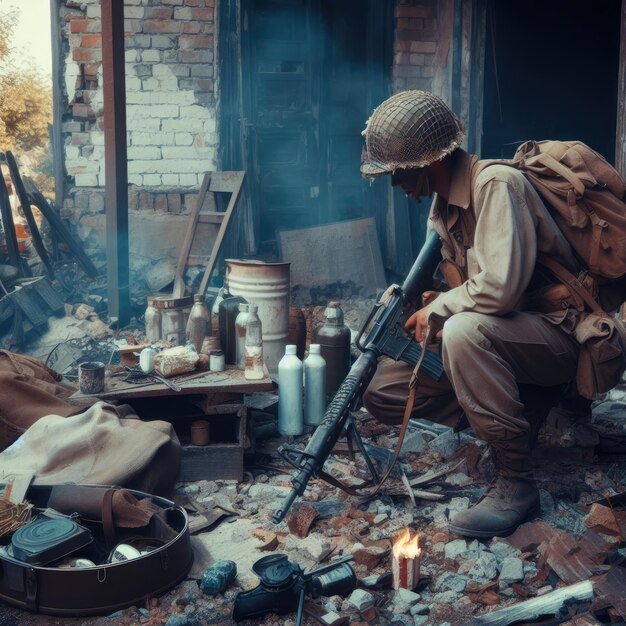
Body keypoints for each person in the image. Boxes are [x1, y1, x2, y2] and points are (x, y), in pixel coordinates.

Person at [360, 90, 584, 539]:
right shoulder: (443, 210)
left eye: (398, 173)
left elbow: (500, 289)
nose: (395, 185)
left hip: (560, 337)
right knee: (384, 390)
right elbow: (464, 287)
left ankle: (516, 480)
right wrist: (426, 302)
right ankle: (519, 413)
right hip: (508, 339)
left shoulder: (496, 185)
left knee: (462, 331)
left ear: (426, 162)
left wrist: (445, 309)